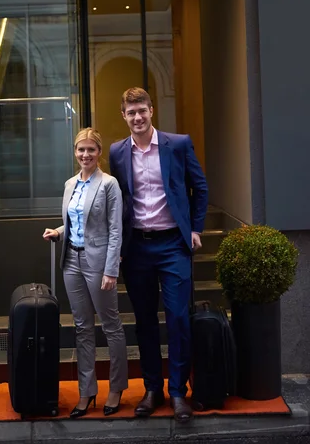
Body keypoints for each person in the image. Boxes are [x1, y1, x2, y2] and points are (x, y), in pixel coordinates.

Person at [109, 87, 208, 423]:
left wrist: (195, 228)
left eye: (142, 111)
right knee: (145, 322)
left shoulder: (177, 144)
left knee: (178, 318)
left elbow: (200, 186)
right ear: (123, 116)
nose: (137, 117)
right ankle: (153, 389)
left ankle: (179, 392)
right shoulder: (117, 152)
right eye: (131, 113)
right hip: (137, 248)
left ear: (152, 111)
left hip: (172, 246)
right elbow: (117, 200)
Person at [43, 127, 128, 419]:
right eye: (81, 149)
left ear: (99, 153)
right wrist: (58, 230)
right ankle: (87, 391)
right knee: (82, 328)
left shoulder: (109, 184)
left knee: (111, 326)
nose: (85, 154)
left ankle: (116, 388)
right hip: (72, 262)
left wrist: (111, 269)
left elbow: (115, 230)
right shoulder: (70, 184)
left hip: (99, 263)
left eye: (91, 149)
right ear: (75, 152)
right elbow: (76, 222)